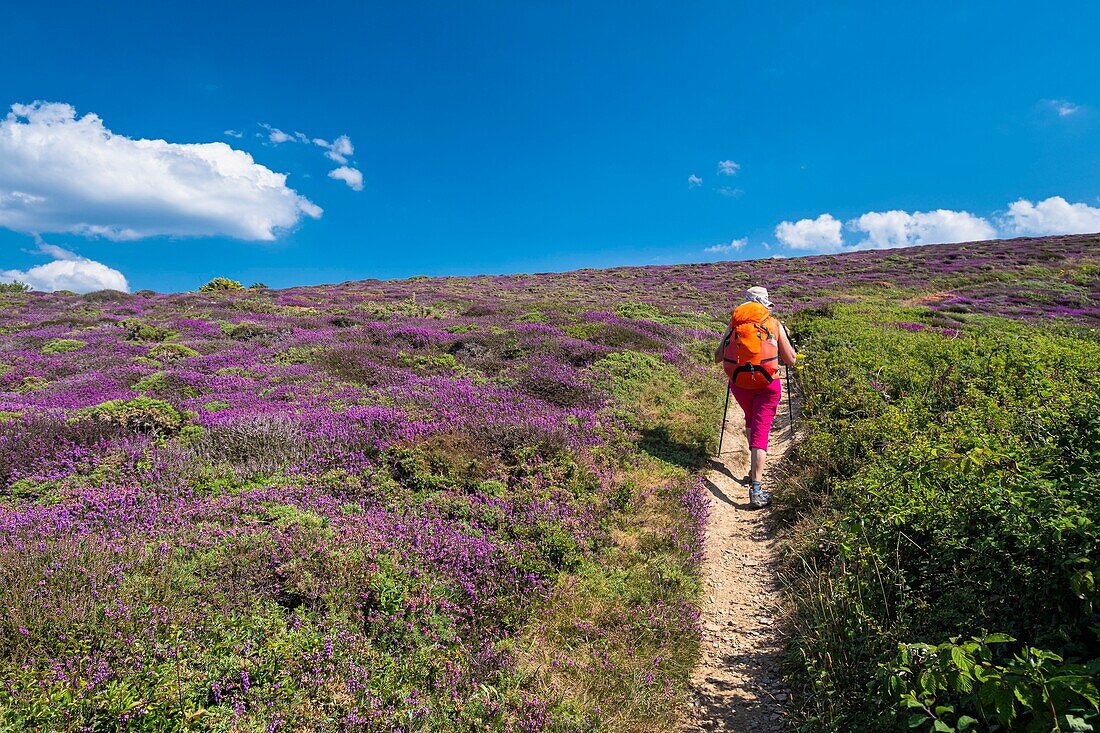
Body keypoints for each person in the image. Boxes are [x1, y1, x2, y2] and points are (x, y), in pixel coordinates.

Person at [713, 286, 797, 508]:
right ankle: (757, 489)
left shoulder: (734, 325)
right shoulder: (774, 324)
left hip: (740, 385)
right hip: (768, 386)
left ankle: (752, 470)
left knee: (751, 420)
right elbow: (790, 360)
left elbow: (717, 357)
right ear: (765, 304)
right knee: (761, 431)